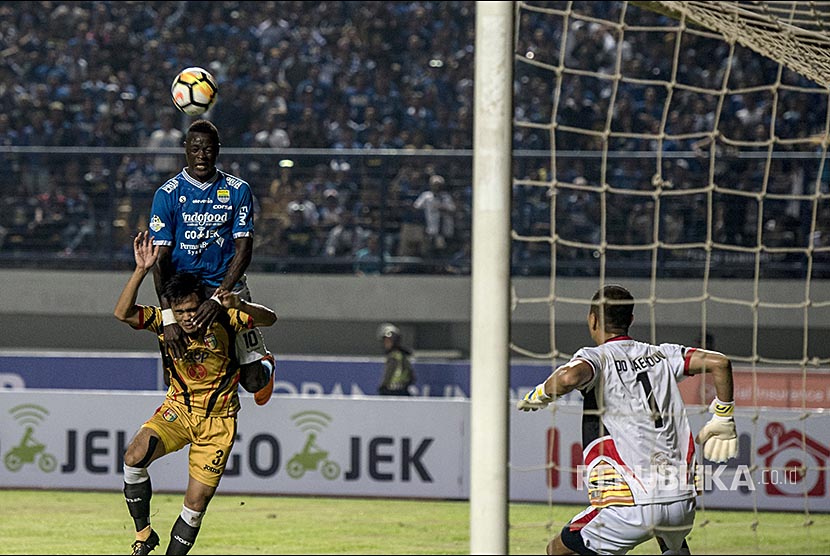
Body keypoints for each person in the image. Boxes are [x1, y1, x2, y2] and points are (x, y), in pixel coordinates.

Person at [517, 284, 737, 555]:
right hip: (682, 502)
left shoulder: (596, 358)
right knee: (671, 538)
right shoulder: (662, 355)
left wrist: (541, 393)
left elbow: (568, 378)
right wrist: (723, 416)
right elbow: (720, 363)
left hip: (630, 505)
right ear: (630, 320)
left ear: (593, 319)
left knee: (559, 550)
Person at [115, 230, 278, 555]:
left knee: (194, 503)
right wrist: (140, 271)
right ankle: (145, 534)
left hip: (218, 423)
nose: (188, 317)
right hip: (177, 410)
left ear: (201, 303)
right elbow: (122, 313)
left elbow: (271, 318)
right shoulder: (165, 321)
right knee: (133, 458)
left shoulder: (223, 317)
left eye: (193, 309)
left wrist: (240, 303)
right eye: (182, 311)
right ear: (172, 307)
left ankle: (267, 366)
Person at [148, 119, 274, 404]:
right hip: (183, 292)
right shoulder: (167, 194)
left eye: (208, 149)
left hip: (227, 289)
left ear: (218, 150)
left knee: (254, 381)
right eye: (195, 149)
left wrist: (219, 298)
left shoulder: (237, 190)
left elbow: (244, 250)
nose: (201, 155)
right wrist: (168, 317)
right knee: (174, 375)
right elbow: (160, 261)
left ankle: (266, 363)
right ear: (185, 151)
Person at [377, 323, 416, 396]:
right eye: (385, 341)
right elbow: (412, 376)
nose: (386, 344)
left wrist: (383, 387)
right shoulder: (402, 355)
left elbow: (388, 374)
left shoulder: (394, 356)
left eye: (389, 341)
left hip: (392, 391)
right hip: (402, 390)